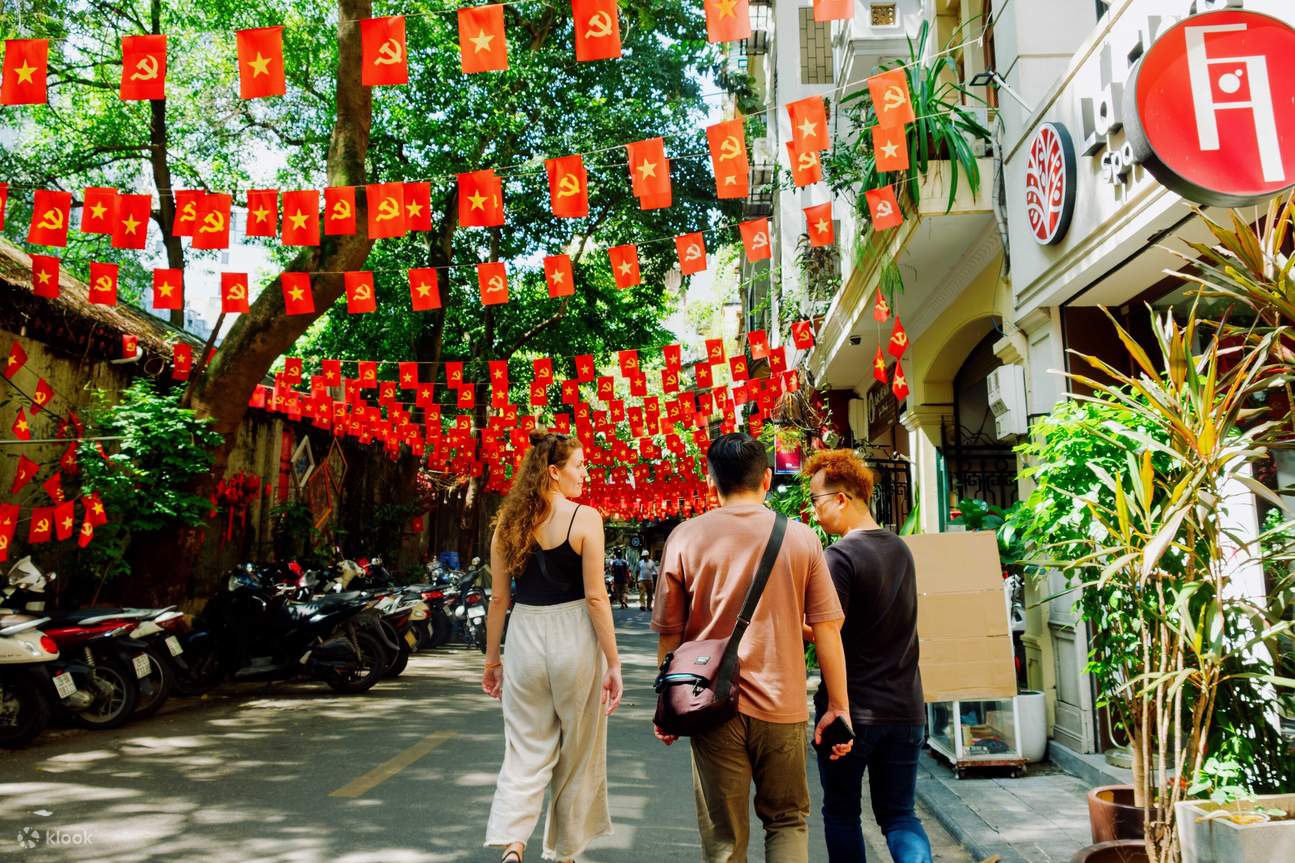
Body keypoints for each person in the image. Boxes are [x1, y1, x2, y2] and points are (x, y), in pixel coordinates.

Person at [653, 432, 855, 863]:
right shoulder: (802, 539)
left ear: (711, 482)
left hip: (708, 706)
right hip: (783, 706)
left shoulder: (685, 538)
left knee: (725, 838)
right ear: (766, 478)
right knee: (786, 820)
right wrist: (839, 706)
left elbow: (670, 632)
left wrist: (666, 704)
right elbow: (827, 630)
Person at [482, 432, 624, 863]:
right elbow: (597, 598)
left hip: (524, 634)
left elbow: (498, 599)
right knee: (578, 751)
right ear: (553, 472)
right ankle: (563, 852)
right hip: (575, 636)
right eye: (579, 466)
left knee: (525, 748)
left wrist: (492, 659)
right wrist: (614, 663)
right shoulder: (586, 518)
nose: (585, 474)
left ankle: (512, 844)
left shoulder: (508, 522)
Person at [803, 449, 932, 863]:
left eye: (816, 502)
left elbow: (827, 632)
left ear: (842, 499)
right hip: (906, 710)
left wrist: (785, 625)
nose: (815, 514)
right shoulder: (900, 550)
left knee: (841, 814)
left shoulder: (839, 557)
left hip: (852, 713)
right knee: (899, 815)